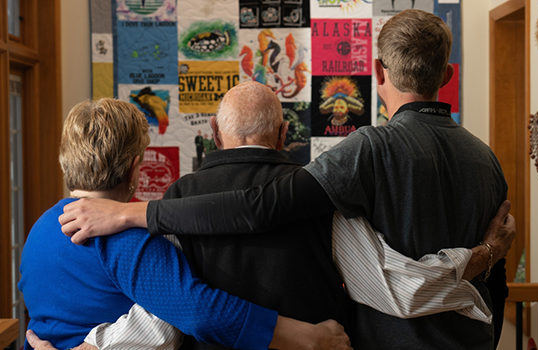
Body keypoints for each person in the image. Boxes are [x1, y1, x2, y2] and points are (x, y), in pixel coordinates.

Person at [60, 9, 513, 350]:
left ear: (377, 73)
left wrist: (132, 213)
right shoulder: (487, 159)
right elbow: (496, 281)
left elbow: (255, 209)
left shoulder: (370, 148)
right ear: (447, 77)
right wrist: (485, 259)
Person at [18, 98, 351, 350]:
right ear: (135, 167)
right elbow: (200, 312)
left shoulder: (39, 229)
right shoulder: (128, 239)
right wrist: (309, 336)